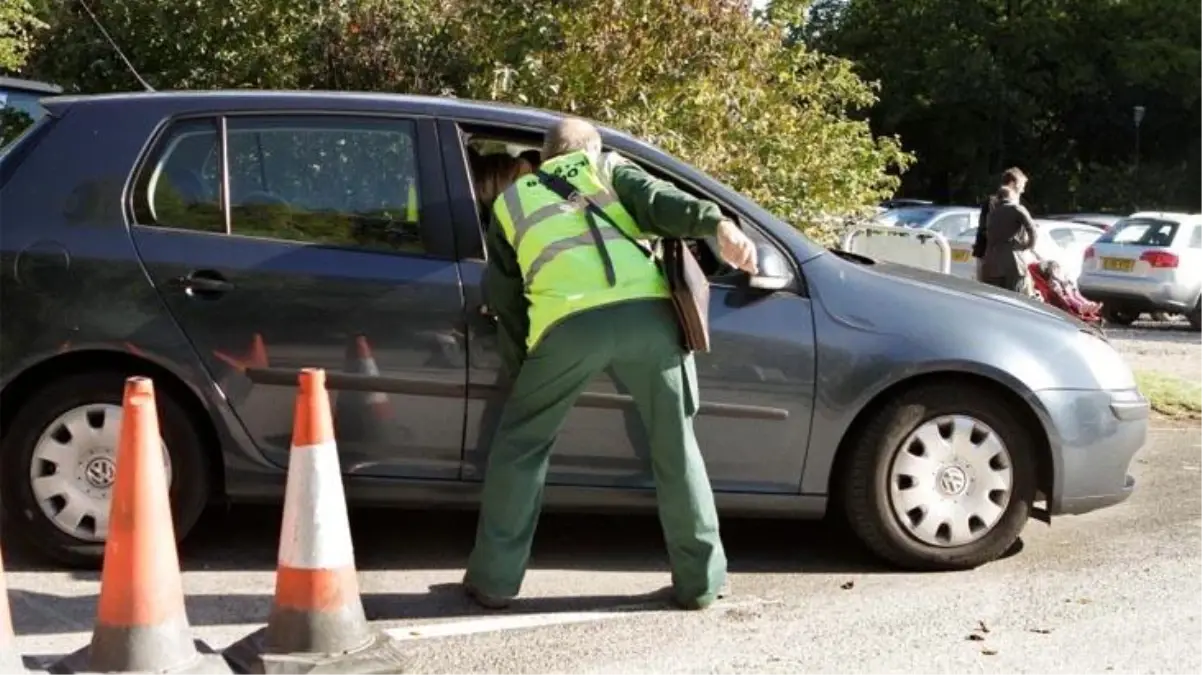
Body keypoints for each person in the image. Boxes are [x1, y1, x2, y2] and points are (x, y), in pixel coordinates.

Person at [462, 117, 757, 612]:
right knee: (675, 449)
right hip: (648, 322)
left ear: (543, 155)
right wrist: (716, 223)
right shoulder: (610, 168)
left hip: (565, 327)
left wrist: (521, 369)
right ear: (592, 148)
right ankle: (701, 583)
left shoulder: (510, 203)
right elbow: (663, 202)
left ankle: (494, 581)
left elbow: (505, 298)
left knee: (521, 447)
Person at [972, 167, 1029, 281]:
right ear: (1013, 183)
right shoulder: (996, 202)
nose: (1023, 190)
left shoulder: (998, 202)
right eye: (1022, 185)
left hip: (992, 256)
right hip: (990, 256)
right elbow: (990, 229)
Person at [980, 185, 1038, 293]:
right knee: (1014, 298)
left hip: (992, 263)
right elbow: (1032, 229)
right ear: (1011, 196)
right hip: (1014, 261)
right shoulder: (1017, 209)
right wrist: (1028, 245)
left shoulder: (992, 213)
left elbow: (988, 234)